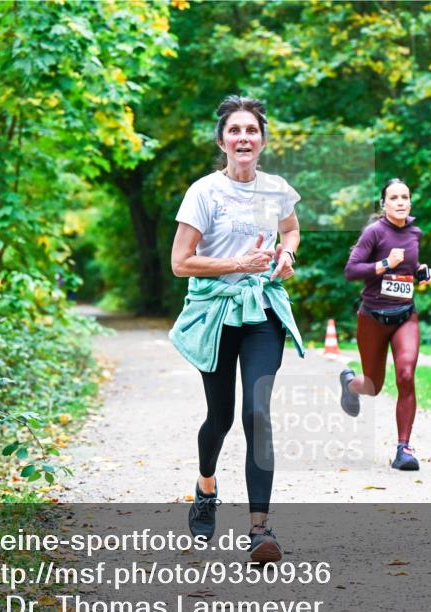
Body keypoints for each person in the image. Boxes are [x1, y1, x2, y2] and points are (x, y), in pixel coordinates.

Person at [169, 95, 304, 563]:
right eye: (235, 131)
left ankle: (259, 530)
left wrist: (287, 255)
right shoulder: (203, 192)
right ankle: (206, 485)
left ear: (262, 140)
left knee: (257, 413)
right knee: (221, 416)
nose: (243, 137)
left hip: (263, 310)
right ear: (222, 140)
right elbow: (180, 263)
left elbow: (291, 230)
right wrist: (236, 263)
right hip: (216, 313)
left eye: (251, 130)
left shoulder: (276, 189)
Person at [339, 179, 431, 471]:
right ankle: (349, 384)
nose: (400, 202)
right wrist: (384, 265)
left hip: (405, 315)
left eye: (405, 197)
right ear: (384, 204)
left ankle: (403, 449)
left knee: (406, 375)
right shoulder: (374, 232)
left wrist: (421, 272)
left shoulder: (415, 232)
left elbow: (409, 268)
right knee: (373, 385)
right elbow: (351, 270)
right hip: (373, 317)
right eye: (394, 197)